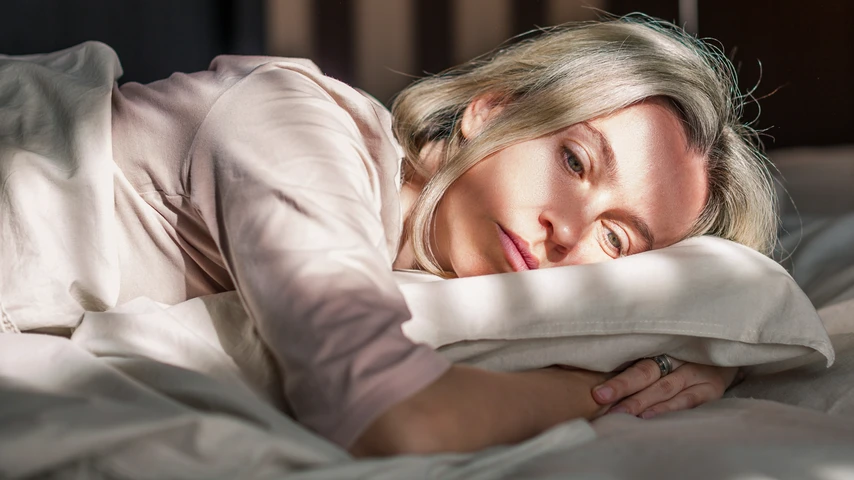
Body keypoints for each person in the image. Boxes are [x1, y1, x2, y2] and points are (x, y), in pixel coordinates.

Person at [105, 15, 774, 456]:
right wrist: (620, 390)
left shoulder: (426, 282)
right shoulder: (291, 125)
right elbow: (397, 421)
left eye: (618, 240)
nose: (568, 234)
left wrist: (698, 351)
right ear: (490, 111)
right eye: (574, 161)